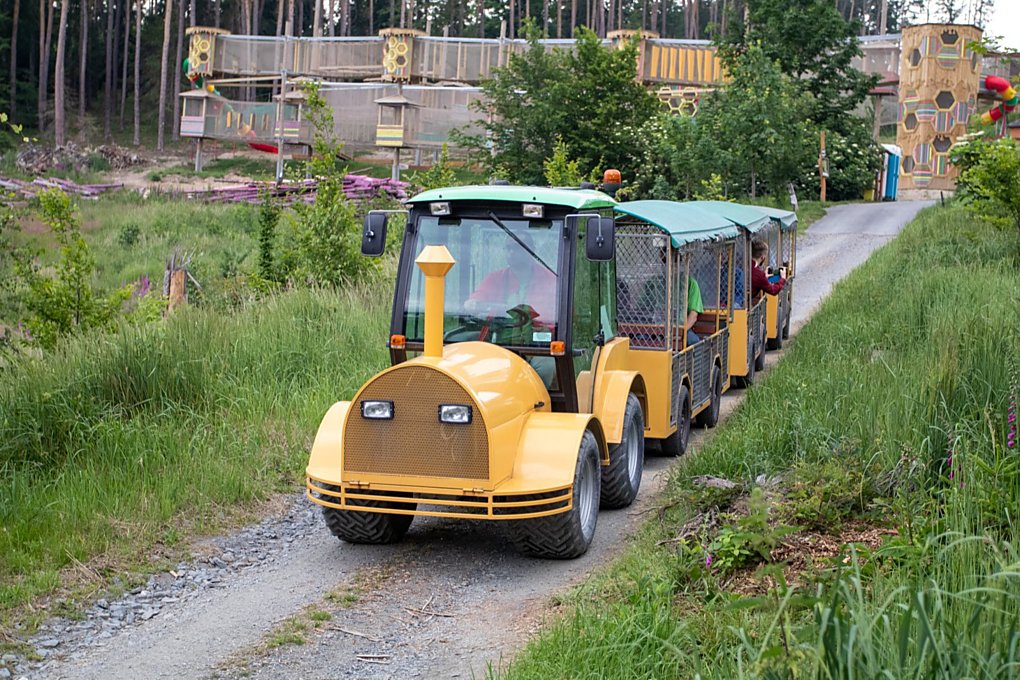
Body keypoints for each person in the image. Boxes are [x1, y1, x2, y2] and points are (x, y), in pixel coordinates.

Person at [464, 232, 557, 325]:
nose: (511, 252)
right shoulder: (495, 279)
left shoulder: (550, 280)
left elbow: (553, 316)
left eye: (517, 248)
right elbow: (477, 299)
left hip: (538, 335)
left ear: (531, 250)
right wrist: (473, 303)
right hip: (499, 335)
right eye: (508, 248)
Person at [685, 274, 703, 347]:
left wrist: (681, 332)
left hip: (680, 326)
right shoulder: (657, 282)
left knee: (695, 342)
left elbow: (693, 315)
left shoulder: (690, 283)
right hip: (658, 326)